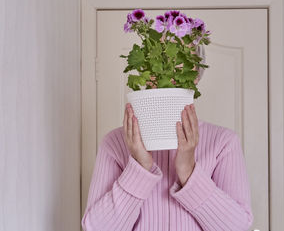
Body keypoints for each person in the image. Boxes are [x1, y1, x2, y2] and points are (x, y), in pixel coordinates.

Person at [81, 45, 254, 231]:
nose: (168, 68)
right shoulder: (114, 143)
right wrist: (139, 167)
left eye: (181, 61)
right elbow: (95, 228)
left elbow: (238, 227)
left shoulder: (223, 142)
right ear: (145, 71)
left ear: (196, 76)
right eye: (158, 58)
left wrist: (188, 171)